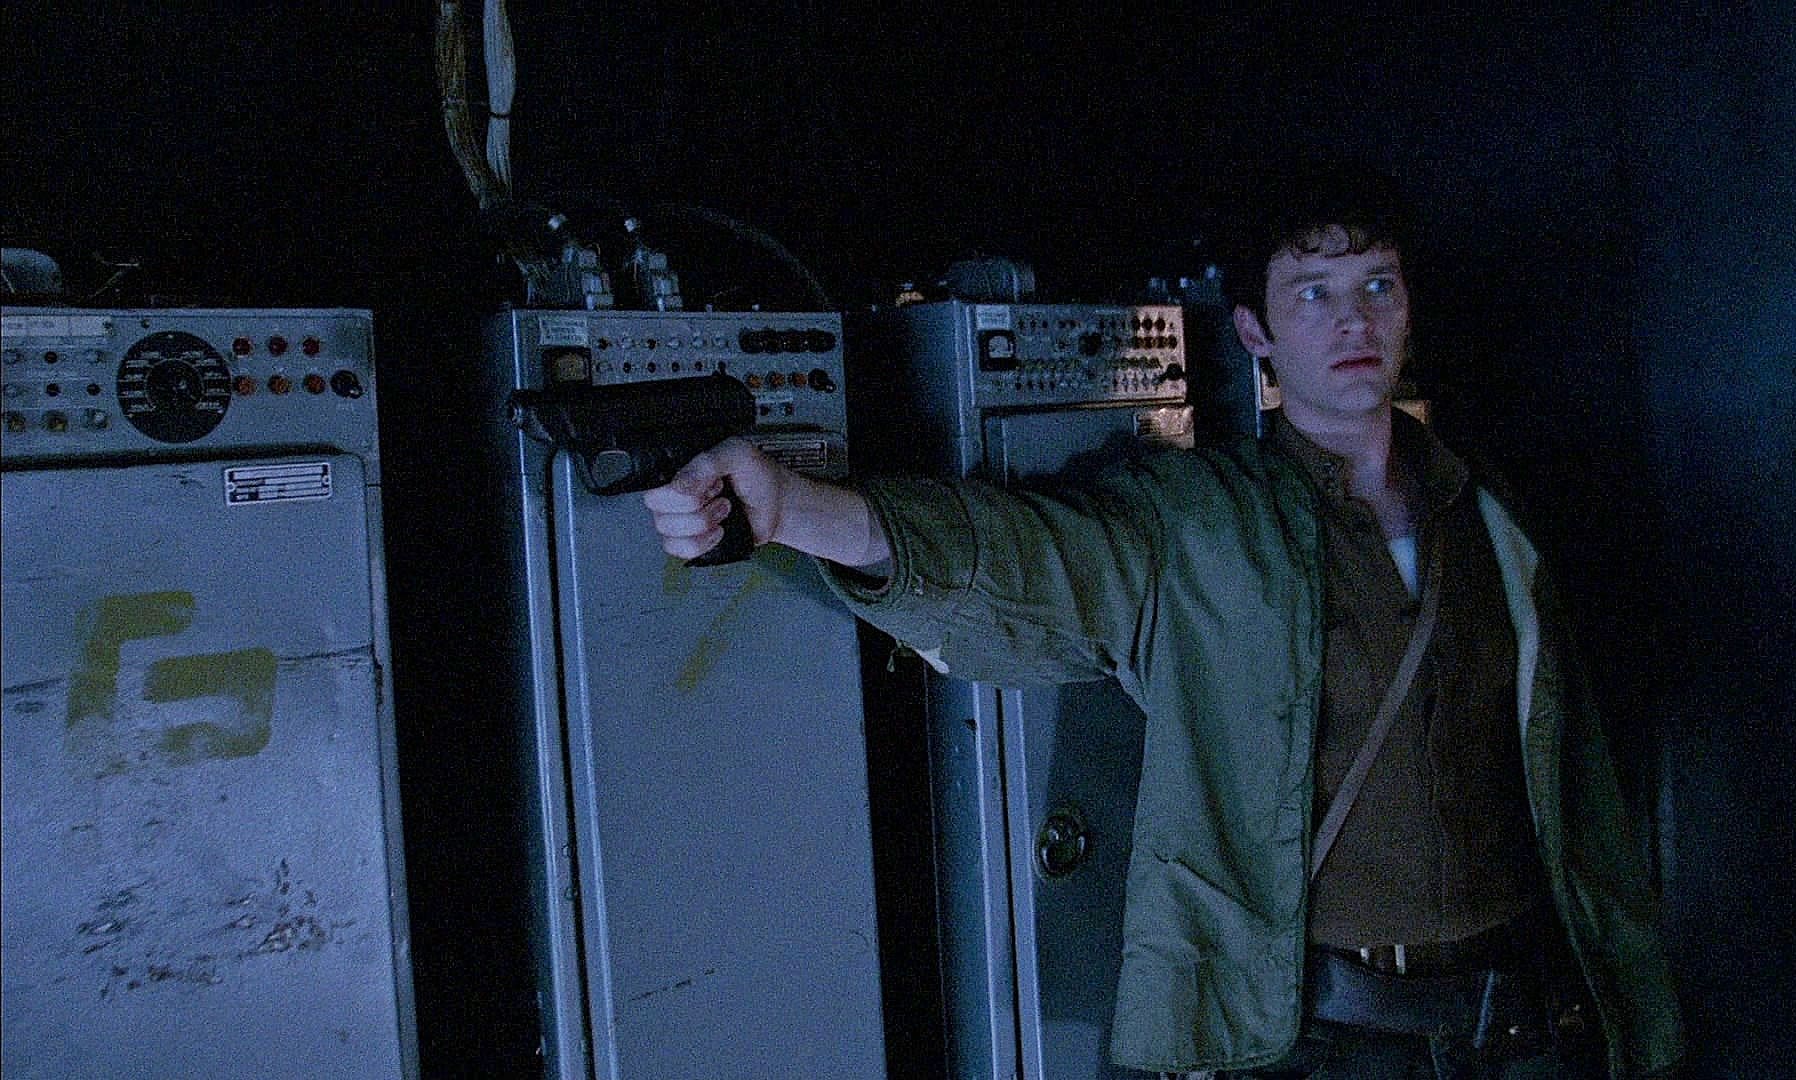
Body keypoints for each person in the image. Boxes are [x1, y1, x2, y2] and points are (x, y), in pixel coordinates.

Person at [641, 166, 1684, 1079]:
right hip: (1331, 1041)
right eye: (1312, 293)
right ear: (1256, 332)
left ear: (1410, 309)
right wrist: (793, 509)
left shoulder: (1492, 515)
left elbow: (1578, 786)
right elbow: (1020, 562)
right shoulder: (1204, 524)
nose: (1353, 321)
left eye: (1378, 285)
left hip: (1524, 1029)